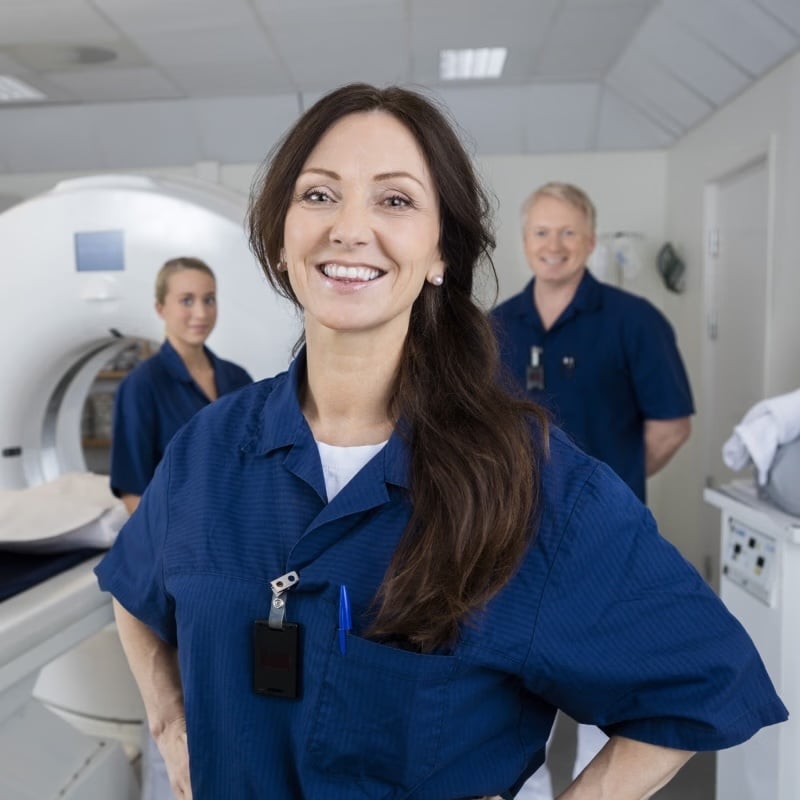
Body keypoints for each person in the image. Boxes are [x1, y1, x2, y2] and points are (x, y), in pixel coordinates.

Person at [95, 84, 786, 800]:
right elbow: (131, 585)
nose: (350, 229)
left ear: (441, 254)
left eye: (394, 201)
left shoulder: (528, 483)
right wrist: (171, 724)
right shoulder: (207, 449)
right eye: (320, 196)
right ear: (280, 235)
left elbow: (702, 680)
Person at [491, 183, 695, 798]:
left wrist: (603, 495)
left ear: (591, 240)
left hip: (608, 543)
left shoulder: (635, 322)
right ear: (524, 243)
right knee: (510, 687)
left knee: (605, 689)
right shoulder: (495, 328)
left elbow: (670, 427)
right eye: (542, 233)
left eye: (568, 232)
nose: (554, 246)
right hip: (512, 542)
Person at [109, 256, 253, 799]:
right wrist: (173, 570)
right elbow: (131, 492)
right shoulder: (141, 387)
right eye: (187, 300)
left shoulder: (237, 379)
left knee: (230, 697)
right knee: (174, 705)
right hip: (173, 569)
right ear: (160, 308)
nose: (200, 312)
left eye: (208, 299)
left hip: (234, 564)